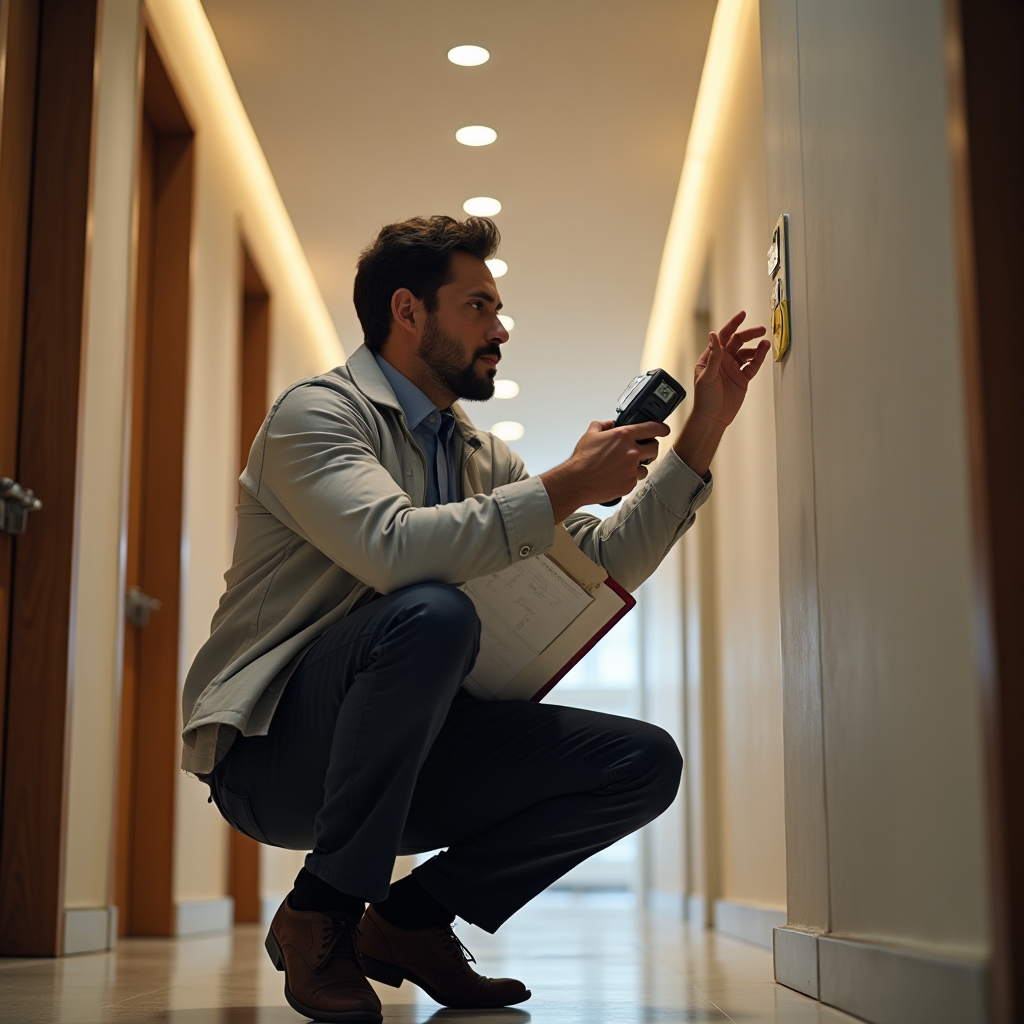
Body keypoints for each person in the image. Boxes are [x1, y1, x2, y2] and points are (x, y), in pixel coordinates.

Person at [182, 215, 769, 1023]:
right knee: (429, 612)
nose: (500, 331)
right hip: (274, 754)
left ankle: (412, 922)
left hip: (409, 752)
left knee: (642, 763)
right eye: (479, 307)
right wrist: (565, 483)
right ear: (408, 311)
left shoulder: (481, 458)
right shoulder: (317, 416)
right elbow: (391, 550)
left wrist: (702, 430)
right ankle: (322, 910)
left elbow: (598, 562)